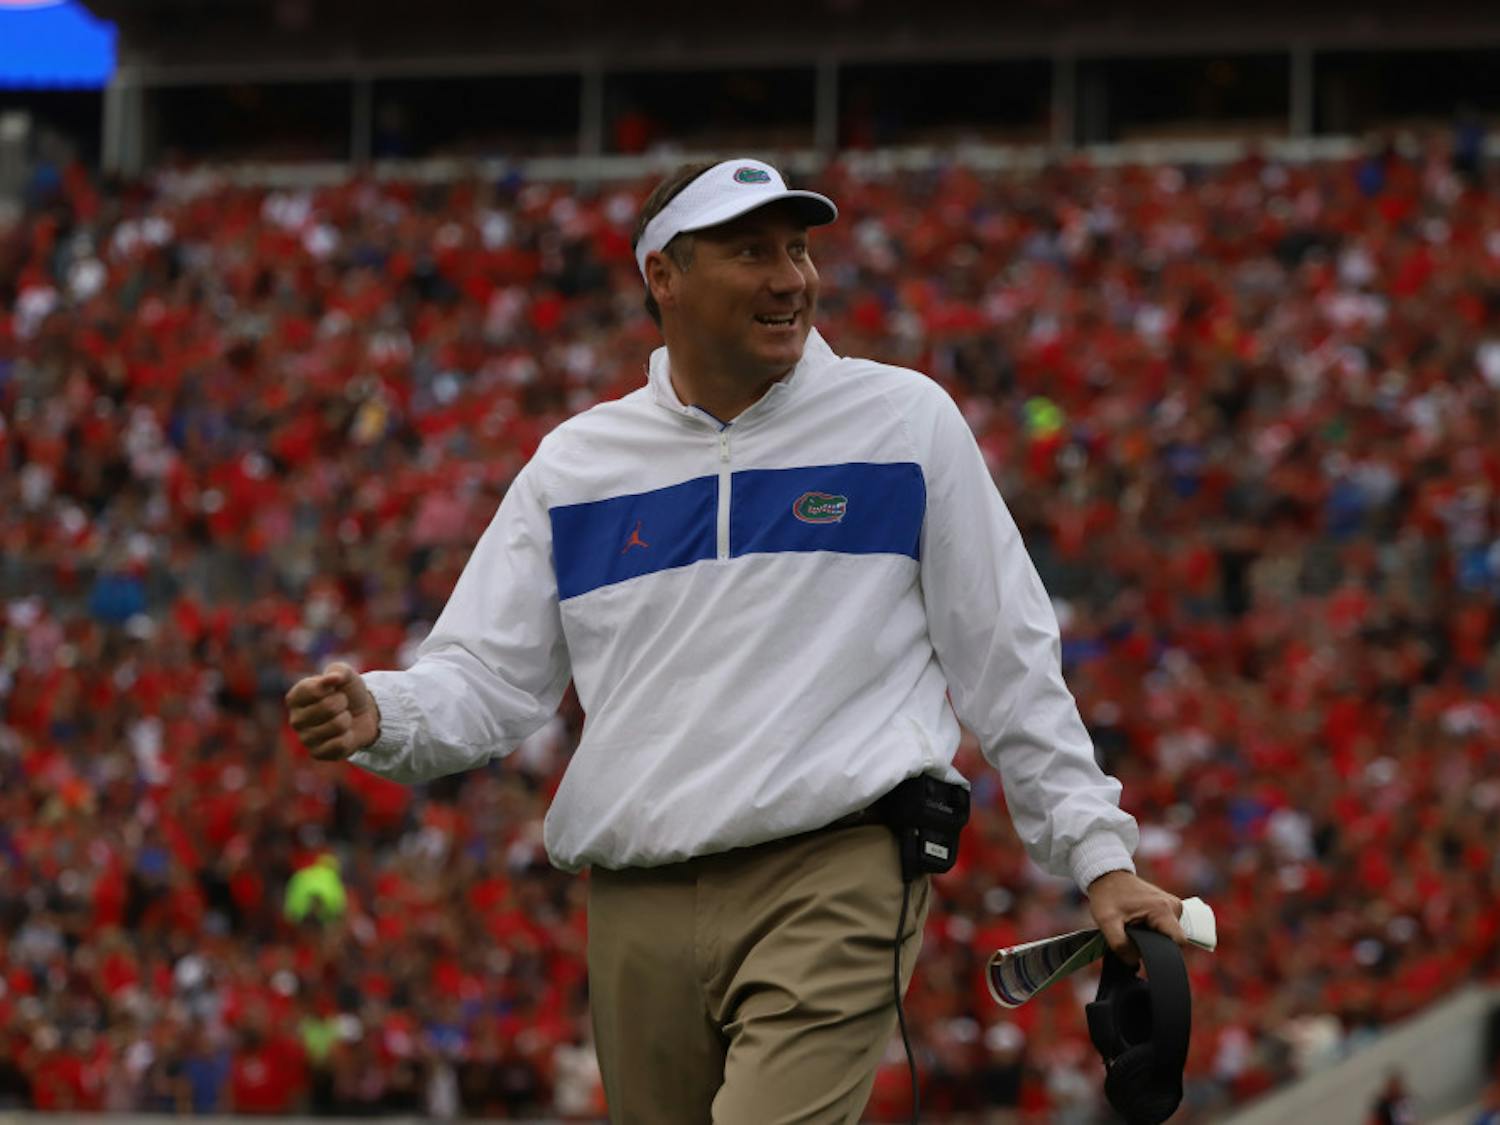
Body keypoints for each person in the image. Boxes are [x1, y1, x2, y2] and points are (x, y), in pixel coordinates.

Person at [285, 156, 1188, 1124]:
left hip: (834, 872)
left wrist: (1100, 857)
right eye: (752, 252)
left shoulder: (903, 423)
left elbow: (1007, 661)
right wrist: (387, 711)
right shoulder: (576, 465)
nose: (791, 278)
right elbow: (487, 680)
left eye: (798, 249)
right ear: (663, 276)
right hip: (637, 899)